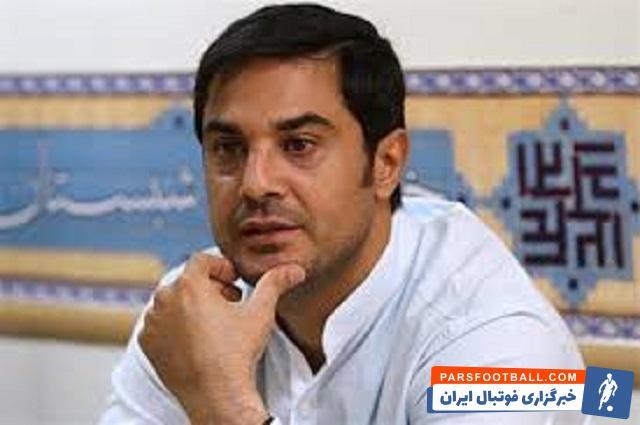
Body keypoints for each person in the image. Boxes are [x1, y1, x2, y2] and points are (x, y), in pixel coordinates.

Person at [100, 4, 584, 424]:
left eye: (299, 145)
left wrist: (223, 406)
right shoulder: (193, 310)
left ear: (386, 163)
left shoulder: (501, 341)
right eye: (228, 147)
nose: (255, 183)